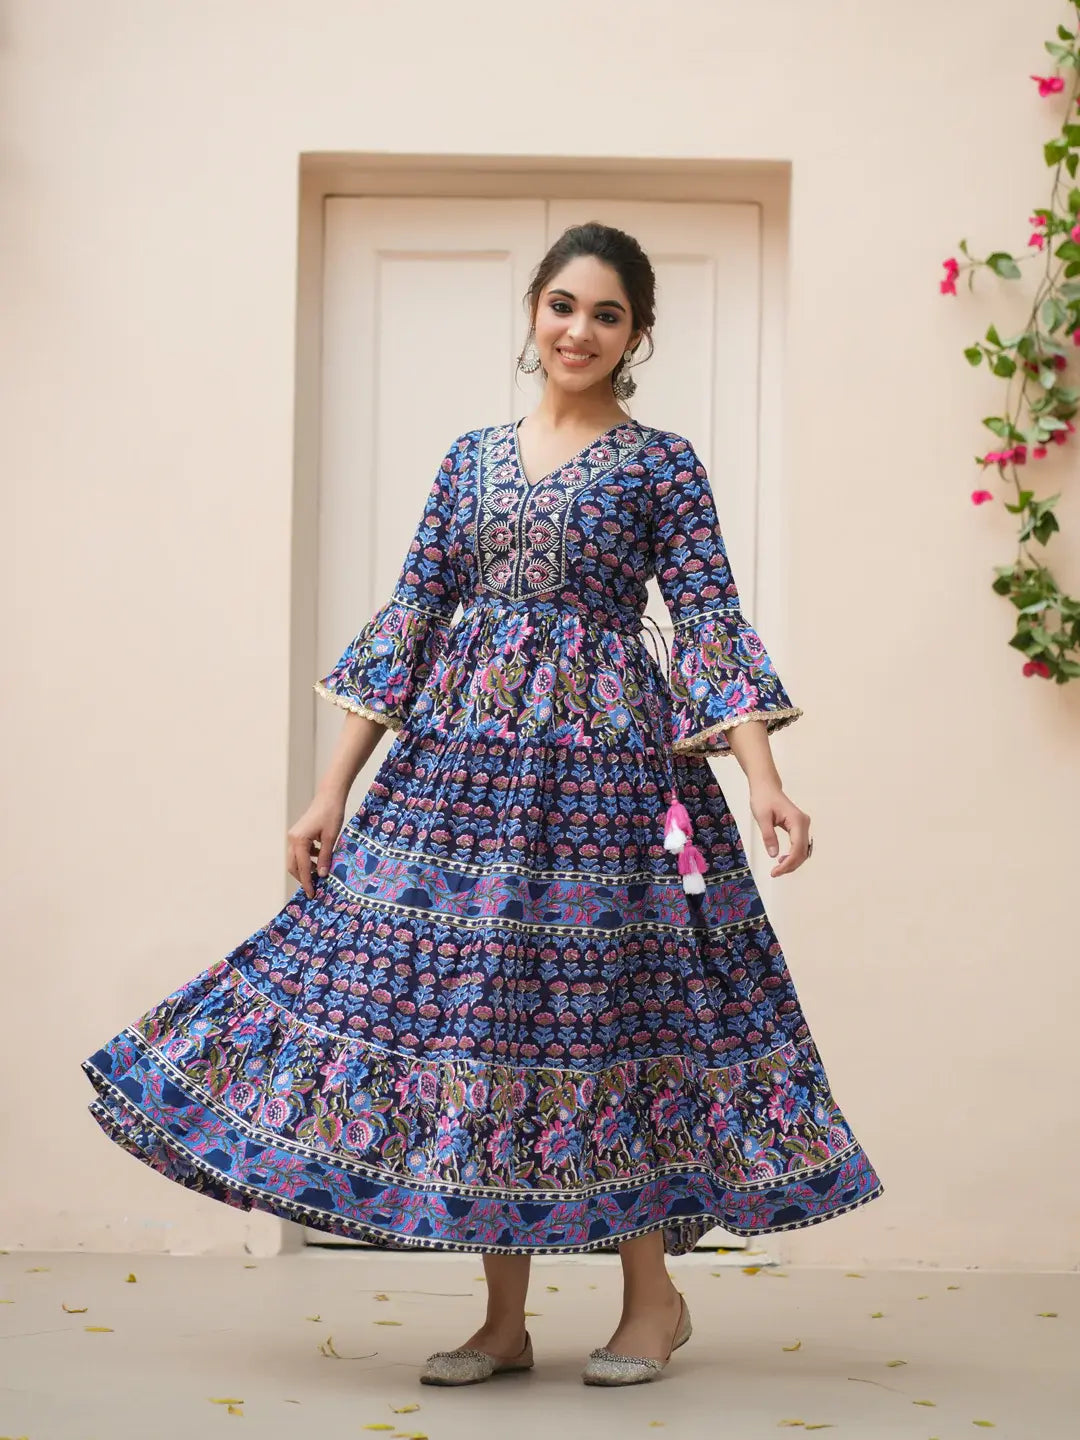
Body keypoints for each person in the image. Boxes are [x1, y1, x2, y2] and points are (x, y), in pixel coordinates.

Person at [82, 222, 883, 1390]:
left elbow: (708, 617)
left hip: (610, 781)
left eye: (607, 314)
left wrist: (763, 777)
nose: (580, 330)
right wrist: (328, 790)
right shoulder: (469, 460)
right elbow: (411, 616)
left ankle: (652, 1301)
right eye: (563, 305)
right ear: (532, 311)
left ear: (636, 335)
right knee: (487, 1021)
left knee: (614, 1016)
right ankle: (503, 1322)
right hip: (462, 776)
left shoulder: (660, 464)